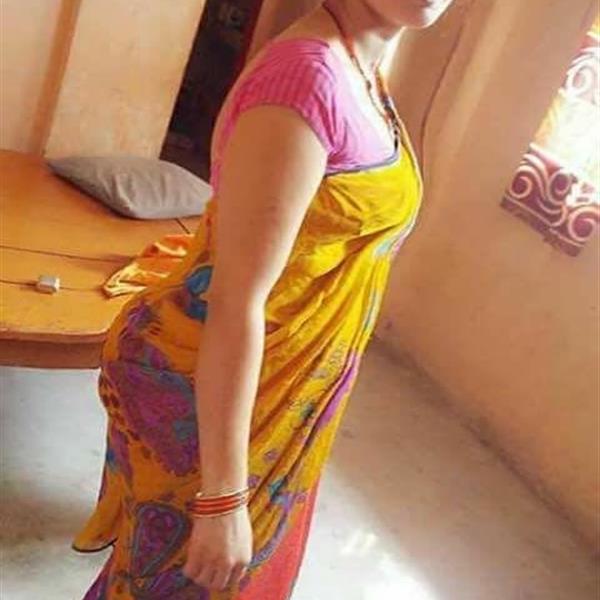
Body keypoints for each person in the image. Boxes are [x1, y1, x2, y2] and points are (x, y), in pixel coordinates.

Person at [73, 0, 454, 598]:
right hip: (207, 377)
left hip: (284, 379)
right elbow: (235, 303)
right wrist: (224, 500)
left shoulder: (364, 65)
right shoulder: (305, 81)